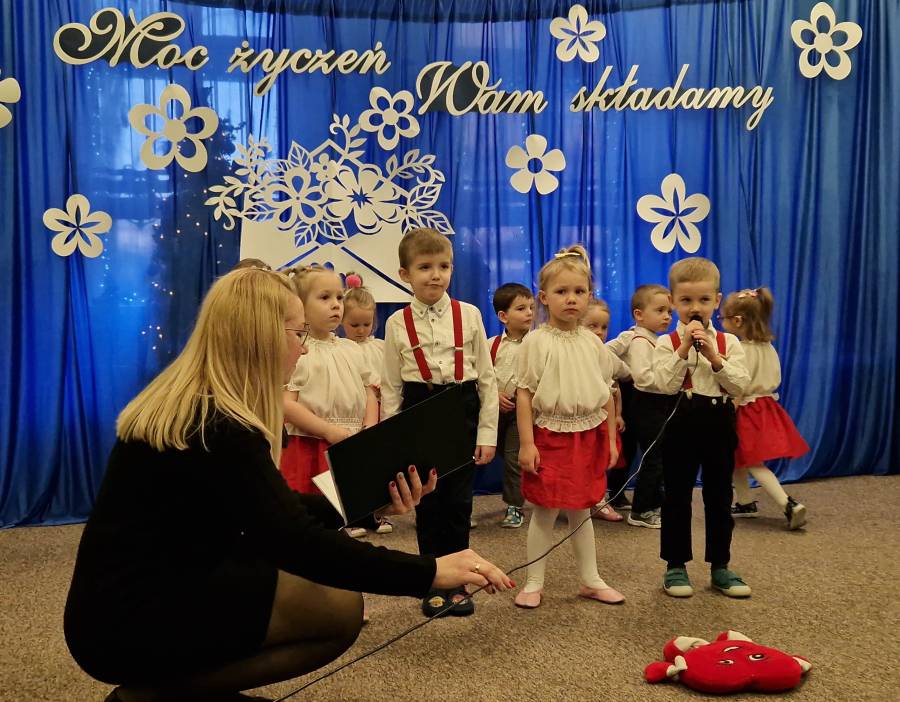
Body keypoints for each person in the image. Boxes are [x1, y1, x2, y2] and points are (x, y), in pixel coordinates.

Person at [63, 268, 513, 702]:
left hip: (141, 595)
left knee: (331, 600)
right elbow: (295, 542)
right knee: (336, 610)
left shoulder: (201, 405)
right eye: (298, 334)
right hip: (128, 623)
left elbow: (271, 511)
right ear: (262, 337)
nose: (303, 349)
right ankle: (157, 694)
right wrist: (429, 572)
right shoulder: (220, 426)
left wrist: (370, 503)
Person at [381, 227, 499, 617]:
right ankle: (432, 580)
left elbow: (487, 380)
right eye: (425, 267)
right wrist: (391, 439)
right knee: (428, 501)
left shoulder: (470, 314)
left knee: (458, 503)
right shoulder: (396, 323)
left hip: (461, 407)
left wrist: (487, 433)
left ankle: (459, 580)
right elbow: (391, 386)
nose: (435, 275)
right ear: (405, 274)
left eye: (444, 266)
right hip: (419, 409)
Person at [513, 246, 624, 610]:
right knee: (545, 510)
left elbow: (606, 393)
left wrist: (611, 440)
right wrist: (527, 443)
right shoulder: (536, 341)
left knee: (583, 508)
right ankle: (534, 581)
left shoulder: (593, 343)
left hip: (588, 435)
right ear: (544, 297)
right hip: (550, 436)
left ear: (589, 294)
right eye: (561, 292)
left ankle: (591, 580)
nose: (571, 299)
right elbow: (525, 394)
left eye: (579, 291)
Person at [653, 257, 751, 599]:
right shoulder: (665, 342)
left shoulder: (729, 343)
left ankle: (720, 565)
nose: (695, 308)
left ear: (717, 301)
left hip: (719, 420)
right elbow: (664, 384)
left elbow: (740, 385)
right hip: (681, 420)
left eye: (704, 300)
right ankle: (675, 564)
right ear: (672, 301)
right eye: (686, 300)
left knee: (719, 496)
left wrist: (714, 358)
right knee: (676, 495)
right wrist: (683, 349)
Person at [280, 266, 378, 499]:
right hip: (310, 444)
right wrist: (328, 430)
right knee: (314, 505)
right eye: (325, 297)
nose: (336, 305)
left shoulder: (352, 349)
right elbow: (286, 404)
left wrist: (369, 429)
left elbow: (369, 394)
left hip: (350, 442)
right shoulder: (300, 351)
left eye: (339, 298)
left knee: (349, 503)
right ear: (300, 305)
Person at [720, 287, 809, 529]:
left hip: (746, 409)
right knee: (738, 456)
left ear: (738, 321)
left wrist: (729, 412)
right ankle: (745, 502)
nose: (721, 322)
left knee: (752, 462)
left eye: (723, 318)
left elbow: (739, 386)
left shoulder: (741, 350)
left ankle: (788, 504)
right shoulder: (768, 347)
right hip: (766, 407)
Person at [606, 284, 674, 528]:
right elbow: (643, 377)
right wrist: (624, 372)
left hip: (653, 403)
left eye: (669, 312)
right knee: (652, 457)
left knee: (652, 455)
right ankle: (641, 510)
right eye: (660, 311)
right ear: (639, 314)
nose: (667, 316)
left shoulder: (655, 339)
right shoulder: (639, 340)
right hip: (645, 403)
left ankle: (647, 501)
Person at [338, 272, 393, 536]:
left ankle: (377, 513)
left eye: (366, 324)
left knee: (379, 465)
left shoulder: (380, 347)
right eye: (354, 325)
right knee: (352, 467)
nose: (361, 330)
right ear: (342, 322)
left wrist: (384, 388)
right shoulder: (340, 348)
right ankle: (352, 516)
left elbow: (391, 375)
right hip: (353, 414)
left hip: (381, 412)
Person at [487, 282, 535, 528]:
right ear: (503, 316)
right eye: (521, 308)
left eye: (531, 307)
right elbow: (482, 376)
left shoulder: (537, 344)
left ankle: (515, 506)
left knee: (514, 458)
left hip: (522, 412)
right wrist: (494, 395)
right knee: (484, 454)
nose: (529, 313)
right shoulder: (491, 344)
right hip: (493, 409)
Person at [580, 297, 631, 523]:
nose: (599, 332)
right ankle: (579, 499)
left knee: (601, 460)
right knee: (581, 462)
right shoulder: (574, 353)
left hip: (603, 419)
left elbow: (619, 383)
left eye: (604, 327)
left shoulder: (607, 354)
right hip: (580, 419)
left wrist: (618, 414)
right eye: (592, 326)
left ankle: (599, 500)